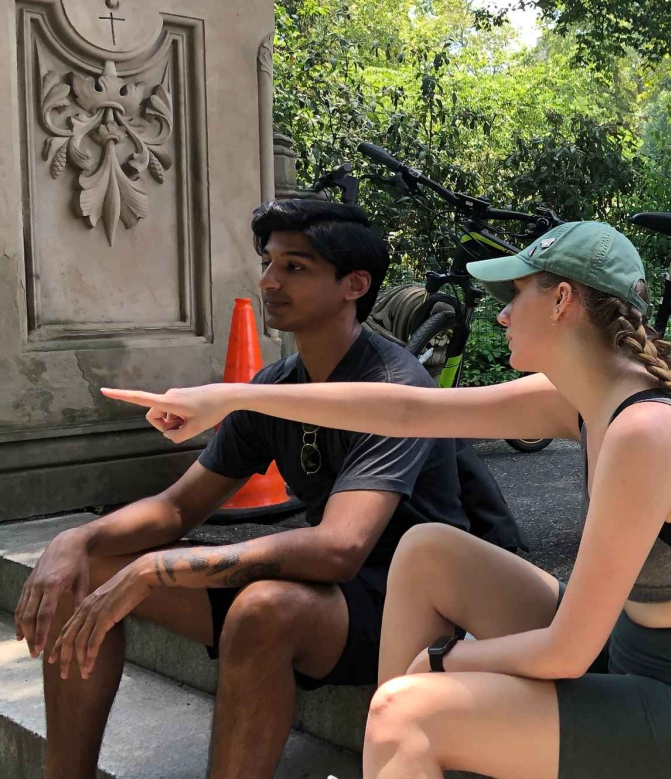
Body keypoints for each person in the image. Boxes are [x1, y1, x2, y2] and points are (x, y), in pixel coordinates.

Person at [106, 221, 671, 779]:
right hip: (626, 653)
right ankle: (400, 749)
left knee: (408, 705)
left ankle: (405, 730)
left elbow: (566, 652)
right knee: (427, 551)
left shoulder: (642, 430)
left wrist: (445, 662)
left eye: (515, 295)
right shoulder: (588, 395)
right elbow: (405, 408)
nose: (503, 313)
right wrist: (231, 397)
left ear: (563, 299)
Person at [20, 199, 524, 779]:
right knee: (82, 571)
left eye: (295, 267)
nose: (268, 282)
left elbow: (340, 549)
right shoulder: (276, 385)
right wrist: (75, 540)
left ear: (353, 285)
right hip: (330, 594)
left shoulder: (392, 384)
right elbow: (178, 506)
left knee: (265, 610)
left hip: (410, 600)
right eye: (268, 263)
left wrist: (158, 569)